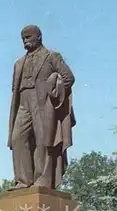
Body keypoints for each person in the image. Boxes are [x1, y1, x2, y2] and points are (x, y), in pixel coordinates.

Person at [8, 25, 76, 189]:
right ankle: (23, 181)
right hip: (23, 103)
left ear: (39, 37)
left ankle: (42, 180)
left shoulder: (51, 56)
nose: (25, 41)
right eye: (23, 38)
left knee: (43, 141)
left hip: (44, 103)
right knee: (17, 138)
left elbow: (68, 78)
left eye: (29, 37)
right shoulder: (19, 63)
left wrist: (54, 93)